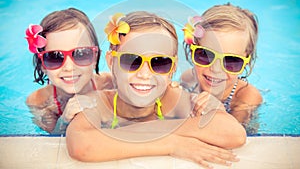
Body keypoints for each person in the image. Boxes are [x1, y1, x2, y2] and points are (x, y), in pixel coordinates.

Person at [66, 11, 246, 168]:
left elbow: (233, 133)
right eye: (131, 60)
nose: (145, 75)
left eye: (160, 63)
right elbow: (81, 145)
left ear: (173, 68)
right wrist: (169, 143)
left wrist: (119, 136)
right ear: (111, 61)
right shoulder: (97, 102)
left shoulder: (175, 100)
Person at [25, 8, 113, 134]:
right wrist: (64, 120)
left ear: (95, 58)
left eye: (81, 54)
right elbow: (49, 140)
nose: (69, 67)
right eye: (55, 57)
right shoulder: (39, 101)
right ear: (42, 66)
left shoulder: (110, 84)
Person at [181, 3, 263, 128]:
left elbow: (235, 135)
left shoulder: (247, 97)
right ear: (192, 51)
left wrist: (219, 113)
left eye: (231, 61)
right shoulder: (189, 79)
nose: (216, 69)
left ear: (247, 61)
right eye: (205, 55)